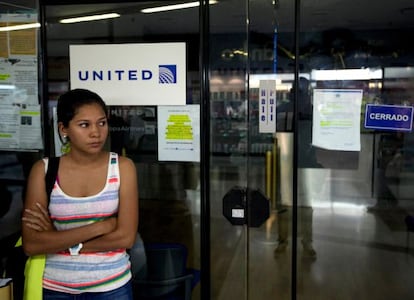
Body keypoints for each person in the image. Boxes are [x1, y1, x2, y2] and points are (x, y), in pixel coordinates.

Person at [22, 89, 139, 299]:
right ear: (64, 129)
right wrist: (101, 227)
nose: (96, 132)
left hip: (111, 286)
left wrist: (59, 240)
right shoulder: (44, 171)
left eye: (102, 123)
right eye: (84, 125)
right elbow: (32, 245)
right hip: (55, 288)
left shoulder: (122, 167)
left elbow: (125, 238)